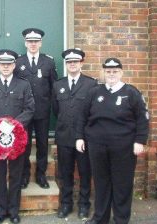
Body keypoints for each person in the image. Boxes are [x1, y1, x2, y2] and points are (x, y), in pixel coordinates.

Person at [75, 58, 149, 224]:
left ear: (121, 72)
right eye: (108, 71)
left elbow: (143, 118)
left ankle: (121, 219)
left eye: (115, 71)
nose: (111, 74)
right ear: (104, 72)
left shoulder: (131, 93)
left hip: (123, 147)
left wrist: (140, 140)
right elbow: (82, 116)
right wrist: (79, 137)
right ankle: (100, 218)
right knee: (101, 183)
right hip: (97, 147)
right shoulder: (94, 92)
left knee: (122, 184)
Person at [0, 49, 35, 224]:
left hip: (16, 139)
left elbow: (30, 109)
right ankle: (1, 211)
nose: (5, 67)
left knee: (16, 175)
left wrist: (13, 125)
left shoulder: (23, 85)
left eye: (9, 64)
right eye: (3, 64)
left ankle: (14, 211)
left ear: (14, 65)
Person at [52, 48, 97, 219]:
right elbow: (56, 111)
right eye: (69, 62)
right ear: (66, 64)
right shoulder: (58, 85)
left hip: (84, 138)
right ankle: (66, 204)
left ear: (81, 63)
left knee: (85, 173)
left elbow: (93, 111)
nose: (72, 64)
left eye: (75, 62)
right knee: (65, 173)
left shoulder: (91, 84)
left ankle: (84, 205)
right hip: (64, 136)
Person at [15, 28, 58, 189]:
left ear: (40, 43)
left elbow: (54, 87)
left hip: (42, 111)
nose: (33, 44)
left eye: (36, 41)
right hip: (23, 112)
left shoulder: (49, 61)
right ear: (25, 43)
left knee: (42, 144)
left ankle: (41, 175)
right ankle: (24, 176)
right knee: (23, 145)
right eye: (30, 41)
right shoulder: (18, 62)